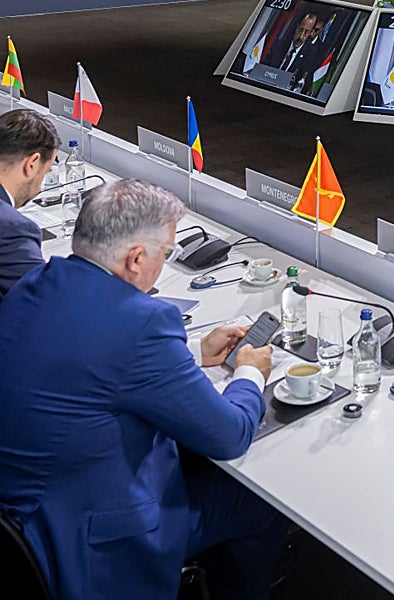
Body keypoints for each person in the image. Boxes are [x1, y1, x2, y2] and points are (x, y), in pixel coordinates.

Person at [0, 179, 286, 600]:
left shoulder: (38, 283)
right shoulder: (140, 323)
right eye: (164, 254)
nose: (161, 265)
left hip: (30, 515)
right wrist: (249, 373)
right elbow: (229, 436)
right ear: (135, 258)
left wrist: (190, 351)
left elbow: (89, 357)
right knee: (261, 501)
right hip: (94, 542)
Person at [0, 110, 59, 300]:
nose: (39, 189)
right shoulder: (13, 229)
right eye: (45, 172)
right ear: (32, 164)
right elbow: (44, 301)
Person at [263, 12, 326, 91]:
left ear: (311, 33)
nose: (301, 36)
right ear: (297, 26)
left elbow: (304, 83)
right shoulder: (278, 45)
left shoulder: (311, 55)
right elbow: (263, 70)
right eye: (300, 30)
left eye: (306, 32)